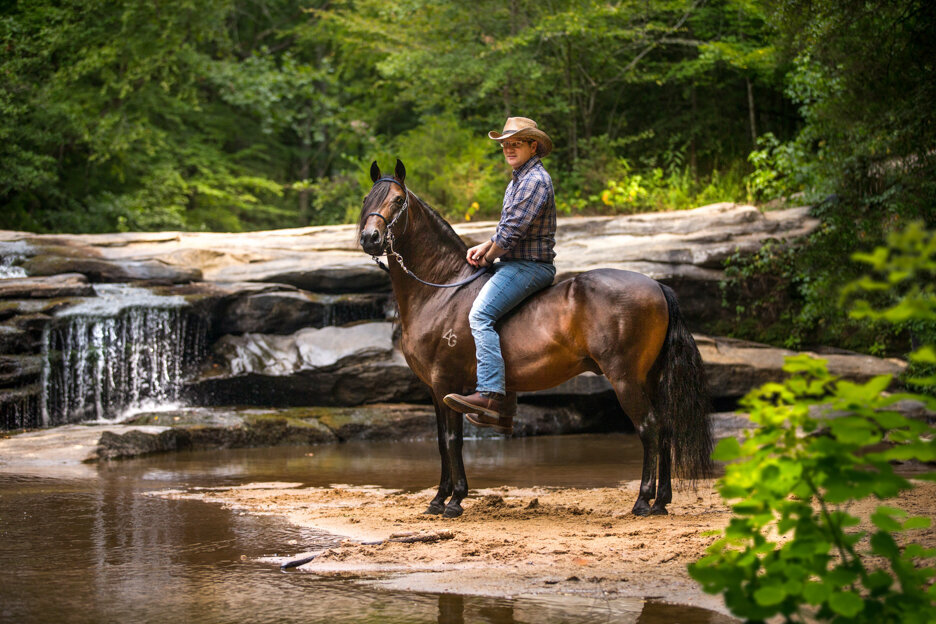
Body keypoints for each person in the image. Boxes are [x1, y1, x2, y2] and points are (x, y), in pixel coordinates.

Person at [443, 117, 557, 434]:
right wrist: (484, 246)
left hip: (529, 266)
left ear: (533, 146)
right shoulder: (518, 179)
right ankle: (505, 411)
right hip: (514, 262)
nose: (508, 148)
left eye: (515, 143)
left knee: (480, 315)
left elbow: (509, 236)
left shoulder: (534, 180)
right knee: (498, 318)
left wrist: (489, 254)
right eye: (506, 144)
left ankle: (491, 397)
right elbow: (504, 230)